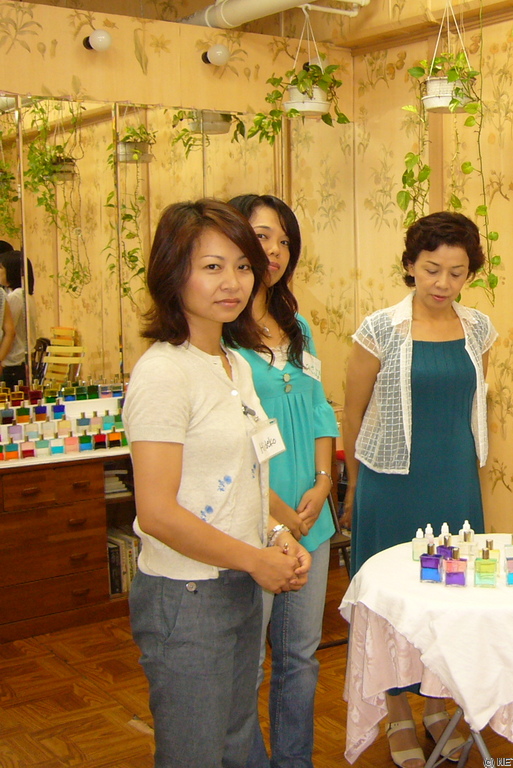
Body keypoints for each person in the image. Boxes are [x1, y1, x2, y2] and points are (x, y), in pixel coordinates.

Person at [123, 199, 311, 768]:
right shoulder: (164, 372)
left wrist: (277, 533)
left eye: (243, 266)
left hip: (236, 584)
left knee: (235, 743)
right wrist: (255, 560)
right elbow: (157, 513)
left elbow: (245, 477)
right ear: (173, 273)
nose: (233, 282)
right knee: (196, 753)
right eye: (212, 267)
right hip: (187, 594)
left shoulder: (235, 364)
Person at [343, 211, 496, 768]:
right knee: (393, 603)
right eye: (432, 269)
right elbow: (354, 411)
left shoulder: (479, 329)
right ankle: (397, 714)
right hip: (391, 484)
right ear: (410, 265)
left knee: (449, 598)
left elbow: (475, 407)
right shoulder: (380, 328)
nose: (443, 283)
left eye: (457, 273)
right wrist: (354, 487)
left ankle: (438, 705)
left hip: (454, 481)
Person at [228, 194, 339, 768]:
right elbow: (229, 441)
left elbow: (319, 407)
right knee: (248, 665)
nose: (273, 250)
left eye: (283, 240)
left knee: (300, 657)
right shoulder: (220, 335)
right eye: (261, 236)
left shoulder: (298, 327)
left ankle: (294, 761)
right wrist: (278, 514)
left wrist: (323, 484)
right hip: (256, 520)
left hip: (310, 515)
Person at [0, 250, 34, 388]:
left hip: (14, 362)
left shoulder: (15, 297)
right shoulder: (23, 294)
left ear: (12, 271)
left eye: (1, 268)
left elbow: (7, 330)